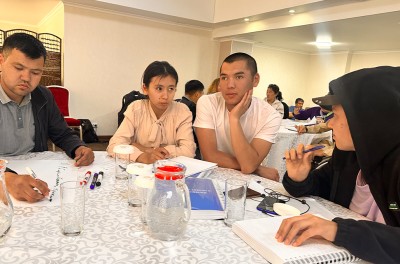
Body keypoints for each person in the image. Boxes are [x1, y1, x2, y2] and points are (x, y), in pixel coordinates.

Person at [276, 66, 400, 263]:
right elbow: (322, 188)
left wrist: (337, 230)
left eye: (335, 115)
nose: (330, 124)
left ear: (366, 120)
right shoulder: (349, 156)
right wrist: (299, 178)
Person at [0, 33, 94, 203]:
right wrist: (5, 179)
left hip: (35, 173)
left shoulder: (43, 96)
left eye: (35, 72)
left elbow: (61, 133)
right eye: (19, 68)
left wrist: (78, 147)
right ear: (1, 61)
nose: (26, 78)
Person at [194, 52, 282, 181]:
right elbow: (210, 155)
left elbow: (248, 165)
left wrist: (234, 119)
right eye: (224, 78)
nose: (230, 85)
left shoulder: (270, 115)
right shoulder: (207, 102)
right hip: (212, 177)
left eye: (239, 77)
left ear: (255, 80)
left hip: (247, 181)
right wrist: (257, 168)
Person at [107, 61, 196, 163]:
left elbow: (189, 151)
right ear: (145, 89)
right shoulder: (136, 108)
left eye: (171, 89)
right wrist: (143, 156)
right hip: (138, 170)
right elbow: (114, 146)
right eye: (159, 88)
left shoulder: (182, 111)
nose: (165, 96)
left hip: (169, 172)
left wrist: (144, 148)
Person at [176, 79, 204, 159]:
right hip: (189, 147)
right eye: (202, 93)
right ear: (197, 94)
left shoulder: (176, 102)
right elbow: (196, 131)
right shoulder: (193, 107)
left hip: (175, 145)